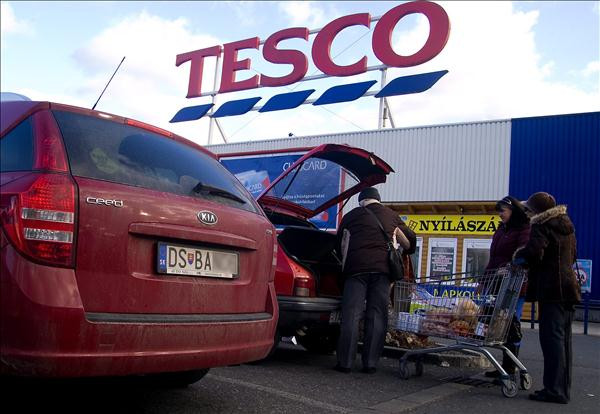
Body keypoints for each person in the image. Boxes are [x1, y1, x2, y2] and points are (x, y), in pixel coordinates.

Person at [334, 187, 416, 374]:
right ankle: (370, 363)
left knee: (351, 315)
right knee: (377, 315)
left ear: (361, 201)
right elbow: (410, 240)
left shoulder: (351, 216)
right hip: (382, 271)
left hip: (355, 270)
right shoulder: (391, 215)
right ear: (378, 200)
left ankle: (345, 362)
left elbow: (338, 244)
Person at [513, 192, 581, 404]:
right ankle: (561, 389)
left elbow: (535, 253)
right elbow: (573, 256)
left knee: (551, 341)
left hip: (552, 290)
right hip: (569, 289)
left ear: (538, 211)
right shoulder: (566, 226)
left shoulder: (542, 225)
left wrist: (519, 257)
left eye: (530, 209)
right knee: (563, 342)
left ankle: (554, 391)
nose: (529, 213)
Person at [483, 196, 530, 379]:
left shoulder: (524, 229)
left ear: (513, 211)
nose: (500, 214)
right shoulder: (502, 229)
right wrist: (483, 282)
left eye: (503, 211)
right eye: (499, 211)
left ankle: (510, 368)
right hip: (496, 283)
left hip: (513, 286)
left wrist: (511, 267)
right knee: (499, 325)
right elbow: (493, 257)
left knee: (511, 325)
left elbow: (524, 254)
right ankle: (505, 366)